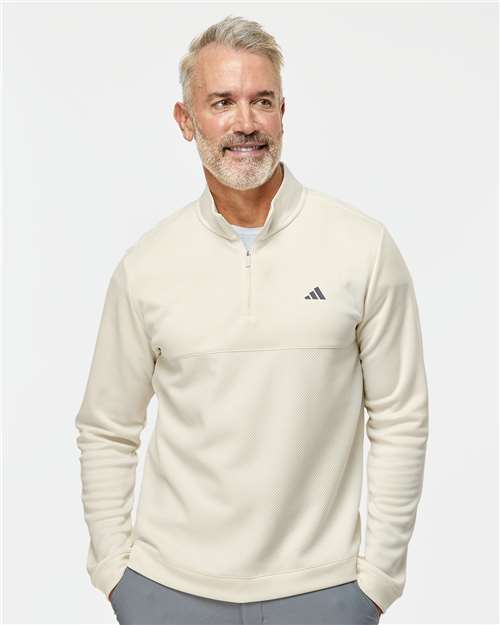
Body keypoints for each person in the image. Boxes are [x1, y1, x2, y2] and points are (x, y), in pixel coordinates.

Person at [75, 14, 429, 625]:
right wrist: (116, 574)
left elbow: (401, 416)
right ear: (186, 120)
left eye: (262, 101)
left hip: (322, 593)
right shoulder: (147, 266)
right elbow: (107, 426)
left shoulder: (362, 248)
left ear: (283, 112)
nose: (245, 122)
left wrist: (377, 580)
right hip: (168, 592)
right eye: (222, 102)